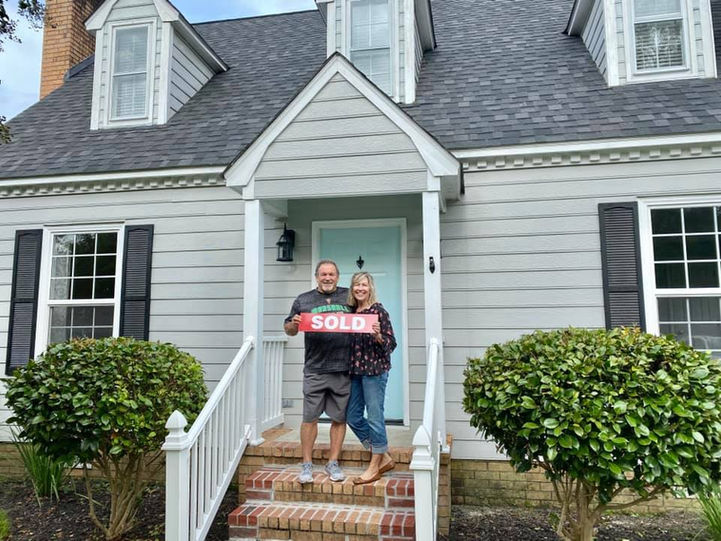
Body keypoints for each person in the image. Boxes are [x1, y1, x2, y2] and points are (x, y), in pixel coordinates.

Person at [284, 260, 351, 484]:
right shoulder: (303, 300)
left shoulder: (349, 297)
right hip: (315, 369)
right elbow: (289, 329)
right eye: (323, 274)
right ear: (317, 277)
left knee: (339, 418)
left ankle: (333, 463)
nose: (327, 277)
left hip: (343, 369)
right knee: (309, 418)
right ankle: (306, 464)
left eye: (331, 274)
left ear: (337, 276)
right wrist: (294, 324)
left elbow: (364, 316)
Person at [345, 271, 397, 485]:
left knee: (375, 417)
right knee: (352, 417)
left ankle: (375, 466)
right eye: (357, 285)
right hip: (355, 372)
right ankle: (383, 455)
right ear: (352, 288)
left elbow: (391, 344)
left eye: (364, 285)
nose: (360, 289)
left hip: (375, 372)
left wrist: (378, 336)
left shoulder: (378, 311)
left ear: (370, 288)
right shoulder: (349, 312)